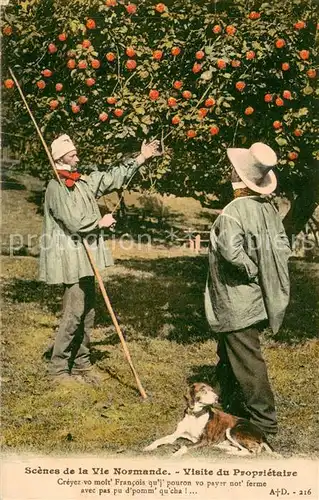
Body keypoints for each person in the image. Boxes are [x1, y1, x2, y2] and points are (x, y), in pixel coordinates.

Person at [39, 134, 160, 384]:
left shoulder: (82, 180)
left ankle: (82, 363)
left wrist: (141, 158)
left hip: (84, 257)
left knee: (89, 312)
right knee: (74, 311)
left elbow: (110, 177)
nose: (77, 157)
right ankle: (58, 367)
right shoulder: (55, 187)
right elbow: (72, 221)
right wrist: (99, 222)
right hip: (70, 257)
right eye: (73, 155)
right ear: (61, 158)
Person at [204, 142, 291, 436]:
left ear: (236, 179)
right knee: (229, 354)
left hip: (236, 300)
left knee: (247, 360)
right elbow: (281, 246)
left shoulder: (232, 213)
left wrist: (251, 268)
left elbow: (231, 253)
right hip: (254, 299)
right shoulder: (267, 208)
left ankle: (264, 421)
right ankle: (219, 406)